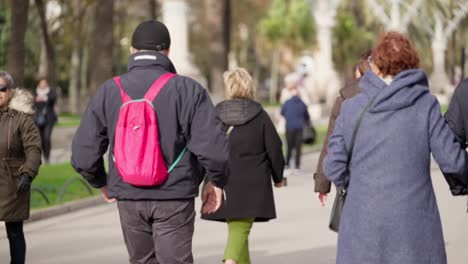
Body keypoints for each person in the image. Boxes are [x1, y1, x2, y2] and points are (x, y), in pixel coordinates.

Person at [71, 20, 229, 264]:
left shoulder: (108, 91)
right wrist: (215, 181)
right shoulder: (188, 90)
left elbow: (83, 153)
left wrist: (101, 182)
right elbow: (213, 148)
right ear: (166, 52)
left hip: (128, 194)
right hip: (174, 195)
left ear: (132, 51)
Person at [324, 32, 468, 264]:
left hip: (361, 227)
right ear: (411, 64)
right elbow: (453, 161)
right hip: (416, 229)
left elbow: (333, 166)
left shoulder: (351, 108)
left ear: (377, 64)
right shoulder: (426, 105)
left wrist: (361, 186)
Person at [202, 68, 286, 264]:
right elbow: (274, 148)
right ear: (250, 87)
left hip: (224, 180)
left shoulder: (215, 115)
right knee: (240, 228)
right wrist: (278, 177)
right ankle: (229, 261)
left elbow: (206, 148)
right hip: (253, 183)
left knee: (239, 228)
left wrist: (204, 178)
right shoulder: (260, 115)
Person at [314, 49, 372, 206]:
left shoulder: (344, 100)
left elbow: (330, 143)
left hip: (352, 179)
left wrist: (322, 184)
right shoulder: (392, 95)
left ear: (358, 72)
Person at [0, 71, 42, 264]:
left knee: (14, 232)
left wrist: (28, 173)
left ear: (10, 90)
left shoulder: (22, 118)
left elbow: (33, 148)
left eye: (2, 88)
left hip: (13, 181)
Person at [281, 73, 310, 174]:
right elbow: (306, 113)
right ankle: (294, 166)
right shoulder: (285, 92)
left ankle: (289, 165)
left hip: (290, 125)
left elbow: (283, 111)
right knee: (295, 147)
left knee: (291, 146)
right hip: (298, 125)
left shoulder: (301, 92)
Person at [33, 78, 57, 163]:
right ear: (39, 84)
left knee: (47, 138)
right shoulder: (35, 92)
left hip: (49, 119)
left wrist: (46, 98)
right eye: (41, 83)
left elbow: (54, 99)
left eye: (44, 83)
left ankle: (47, 157)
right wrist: (36, 99)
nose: (43, 85)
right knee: (40, 138)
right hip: (37, 119)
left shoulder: (51, 92)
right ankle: (41, 156)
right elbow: (31, 103)